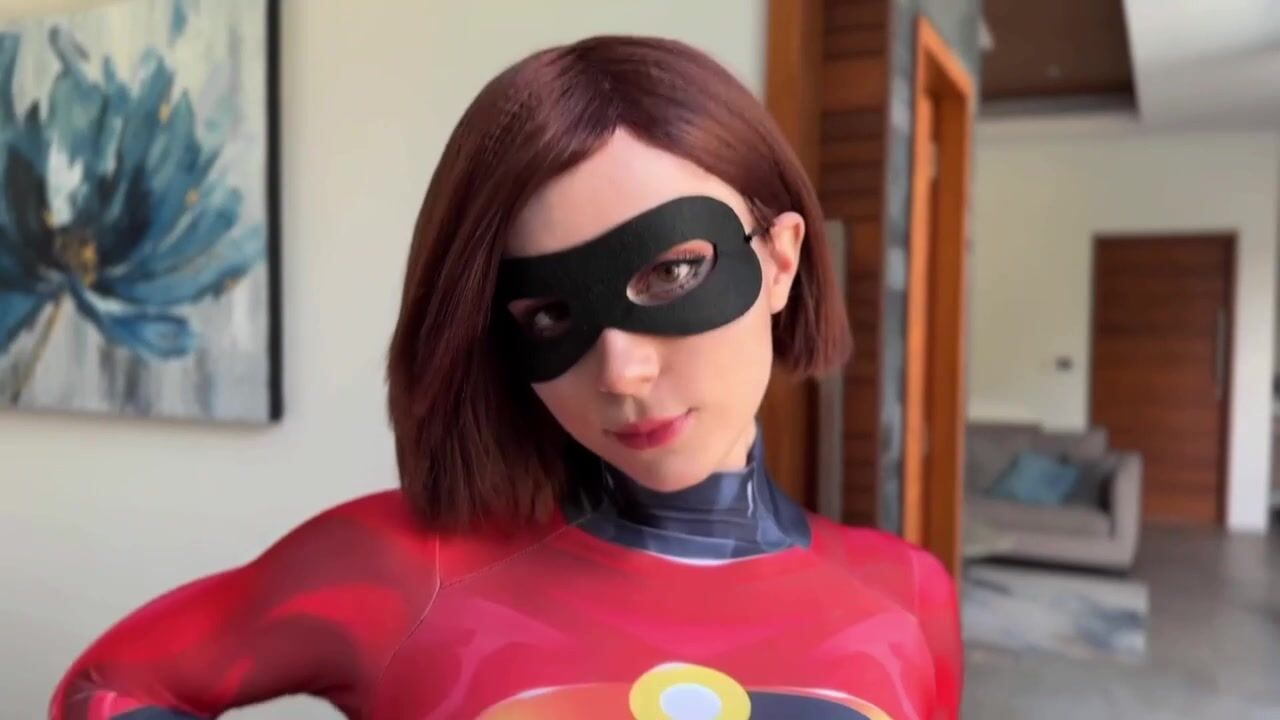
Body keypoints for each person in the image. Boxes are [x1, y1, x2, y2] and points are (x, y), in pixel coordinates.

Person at [49, 35, 962, 720]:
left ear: (780, 259)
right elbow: (109, 686)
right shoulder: (401, 570)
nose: (621, 371)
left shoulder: (908, 596)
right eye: (550, 317)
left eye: (672, 274)